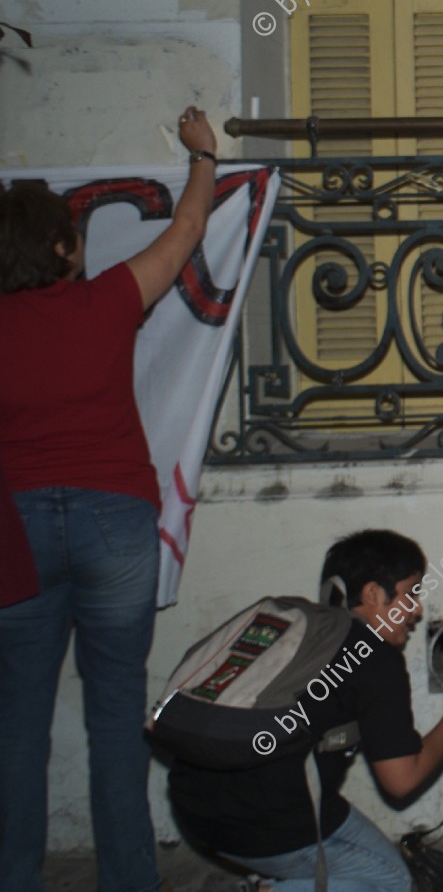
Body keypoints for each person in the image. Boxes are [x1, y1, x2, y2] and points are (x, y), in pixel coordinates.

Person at [0, 106, 219, 892]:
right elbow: (188, 230)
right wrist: (202, 156)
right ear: (63, 247)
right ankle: (131, 879)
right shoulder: (106, 302)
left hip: (15, 533)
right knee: (116, 718)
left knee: (16, 729)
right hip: (115, 523)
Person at [167, 530, 443, 891]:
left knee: (373, 867)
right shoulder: (374, 657)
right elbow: (402, 780)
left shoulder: (301, 627)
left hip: (193, 806)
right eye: (411, 592)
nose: (417, 609)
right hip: (264, 825)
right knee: (391, 883)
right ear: (373, 594)